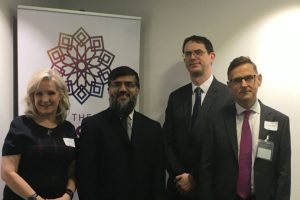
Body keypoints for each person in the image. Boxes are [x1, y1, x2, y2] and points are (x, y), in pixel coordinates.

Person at [207, 56, 291, 200]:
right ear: (229, 85)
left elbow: (283, 173)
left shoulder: (280, 121)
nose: (244, 84)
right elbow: (207, 169)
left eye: (249, 78)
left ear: (259, 79)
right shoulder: (216, 121)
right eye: (237, 80)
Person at [76, 66, 166, 200]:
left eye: (129, 84)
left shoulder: (153, 128)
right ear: (108, 90)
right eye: (116, 84)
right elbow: (85, 178)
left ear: (138, 89)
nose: (123, 89)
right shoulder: (92, 126)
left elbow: (158, 178)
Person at [163, 35, 233, 200]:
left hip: (212, 188)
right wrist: (180, 174)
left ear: (212, 56)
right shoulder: (176, 97)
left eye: (198, 52)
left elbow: (227, 148)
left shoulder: (228, 96)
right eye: (187, 54)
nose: (192, 57)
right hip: (178, 187)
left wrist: (193, 177)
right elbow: (167, 140)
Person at [1, 69, 76, 200]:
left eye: (51, 93)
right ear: (32, 97)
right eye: (39, 94)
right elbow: (7, 172)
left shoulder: (68, 129)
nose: (45, 99)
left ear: (60, 96)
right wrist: (35, 198)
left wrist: (67, 195)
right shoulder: (20, 125)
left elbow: (73, 171)